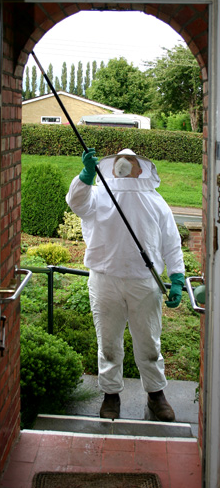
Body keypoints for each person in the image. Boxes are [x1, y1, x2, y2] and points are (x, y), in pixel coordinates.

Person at [66, 148, 185, 422]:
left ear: (142, 170)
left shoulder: (156, 202)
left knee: (149, 342)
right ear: (111, 167)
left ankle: (156, 394)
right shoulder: (97, 196)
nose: (127, 166)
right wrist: (85, 175)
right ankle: (110, 395)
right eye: (122, 161)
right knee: (108, 341)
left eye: (132, 162)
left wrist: (177, 278)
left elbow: (171, 242)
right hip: (104, 279)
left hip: (144, 283)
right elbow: (76, 202)